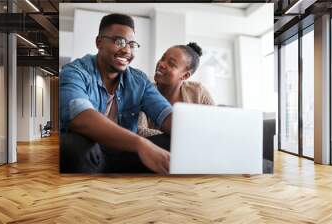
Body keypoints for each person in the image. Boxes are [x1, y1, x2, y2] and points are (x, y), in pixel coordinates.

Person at [59, 13, 173, 174]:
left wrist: (199, 137)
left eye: (132, 44)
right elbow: (81, 117)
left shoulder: (139, 80)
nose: (127, 50)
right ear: (99, 43)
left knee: (174, 141)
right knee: (74, 145)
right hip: (91, 156)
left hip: (125, 155)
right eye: (119, 42)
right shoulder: (75, 71)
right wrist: (140, 143)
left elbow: (166, 114)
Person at [138, 42, 215, 137]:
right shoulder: (144, 92)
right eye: (163, 58)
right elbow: (140, 131)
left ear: (185, 75)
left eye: (171, 64)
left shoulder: (198, 92)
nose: (161, 64)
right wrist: (182, 137)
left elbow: (214, 125)